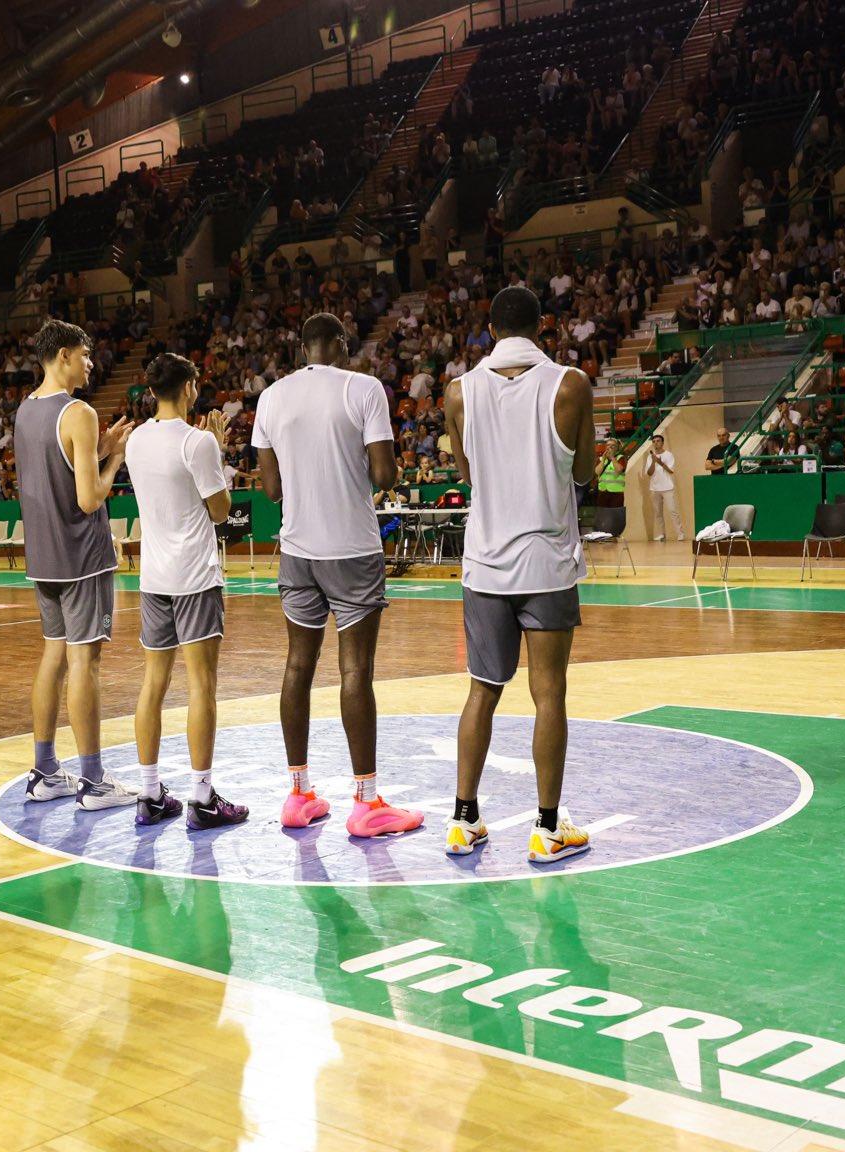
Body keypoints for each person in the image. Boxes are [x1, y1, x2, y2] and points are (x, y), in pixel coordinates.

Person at [252, 312, 420, 838]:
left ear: (304, 348)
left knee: (297, 668)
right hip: (351, 550)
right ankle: (367, 802)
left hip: (296, 550)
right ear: (340, 346)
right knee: (355, 672)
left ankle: (298, 793)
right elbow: (384, 475)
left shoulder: (271, 398)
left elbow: (272, 490)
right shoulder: (364, 389)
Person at [443, 284, 593, 862]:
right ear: (542, 326)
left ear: (490, 327)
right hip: (548, 562)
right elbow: (582, 470)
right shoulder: (570, 384)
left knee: (482, 691)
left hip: (485, 565)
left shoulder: (460, 392)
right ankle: (548, 828)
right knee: (548, 692)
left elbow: (466, 470)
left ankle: (463, 820)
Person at [16, 320, 139, 811]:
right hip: (81, 556)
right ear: (64, 354)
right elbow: (88, 497)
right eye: (86, 355)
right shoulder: (79, 412)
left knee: (53, 656)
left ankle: (45, 770)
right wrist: (116, 460)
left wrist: (98, 448)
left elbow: (59, 466)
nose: (91, 363)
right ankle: (93, 781)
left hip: (43, 556)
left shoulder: (25, 410)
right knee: (84, 662)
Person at [123, 354, 249, 829]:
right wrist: (214, 448)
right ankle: (201, 797)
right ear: (191, 387)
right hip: (194, 575)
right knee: (202, 686)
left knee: (153, 684)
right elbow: (220, 511)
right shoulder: (197, 443)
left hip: (154, 577)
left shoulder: (136, 440)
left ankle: (150, 793)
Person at [642, 433, 684, 541]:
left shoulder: (669, 455)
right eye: (654, 441)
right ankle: (662, 534)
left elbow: (671, 471)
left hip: (667, 488)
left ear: (662, 443)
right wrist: (653, 461)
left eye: (658, 441)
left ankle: (680, 534)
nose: (656, 443)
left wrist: (660, 463)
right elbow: (650, 473)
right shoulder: (649, 457)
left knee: (672, 511)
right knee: (658, 513)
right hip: (654, 488)